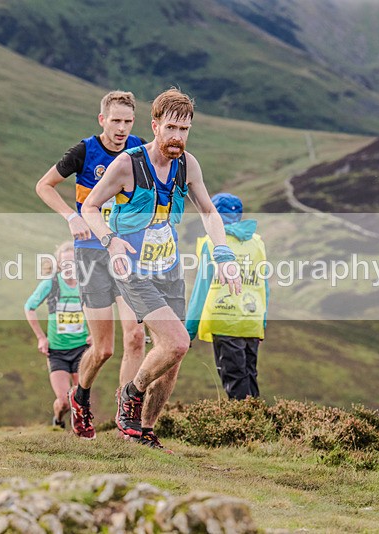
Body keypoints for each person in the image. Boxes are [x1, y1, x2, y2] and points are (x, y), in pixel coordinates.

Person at [81, 88, 242, 450]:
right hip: (130, 268)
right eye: (171, 128)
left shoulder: (188, 165)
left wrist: (225, 256)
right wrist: (110, 240)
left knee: (174, 357)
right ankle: (131, 393)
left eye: (184, 130)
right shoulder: (128, 164)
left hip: (167, 269)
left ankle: (145, 431)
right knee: (176, 341)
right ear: (154, 126)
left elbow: (209, 212)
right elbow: (90, 207)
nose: (177, 137)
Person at [35, 91, 147, 440]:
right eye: (116, 121)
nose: (122, 128)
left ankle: (126, 420)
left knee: (136, 337)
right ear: (102, 120)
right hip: (91, 253)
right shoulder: (84, 151)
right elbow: (44, 185)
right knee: (103, 349)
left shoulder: (140, 150)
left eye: (128, 122)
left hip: (128, 252)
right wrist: (71, 216)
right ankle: (80, 397)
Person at [186, 193, 269, 400]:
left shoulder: (212, 243)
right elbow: (263, 285)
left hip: (224, 319)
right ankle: (256, 423)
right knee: (249, 376)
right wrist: (262, 323)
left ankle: (243, 426)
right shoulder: (257, 242)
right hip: (251, 320)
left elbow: (201, 288)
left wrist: (189, 329)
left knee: (234, 379)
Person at [24, 242, 90, 429]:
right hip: (57, 351)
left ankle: (81, 431)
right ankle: (59, 420)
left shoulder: (86, 284)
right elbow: (29, 307)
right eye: (65, 263)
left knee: (80, 398)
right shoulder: (51, 284)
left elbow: (99, 309)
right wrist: (41, 337)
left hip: (81, 349)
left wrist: (94, 334)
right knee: (64, 402)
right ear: (60, 264)